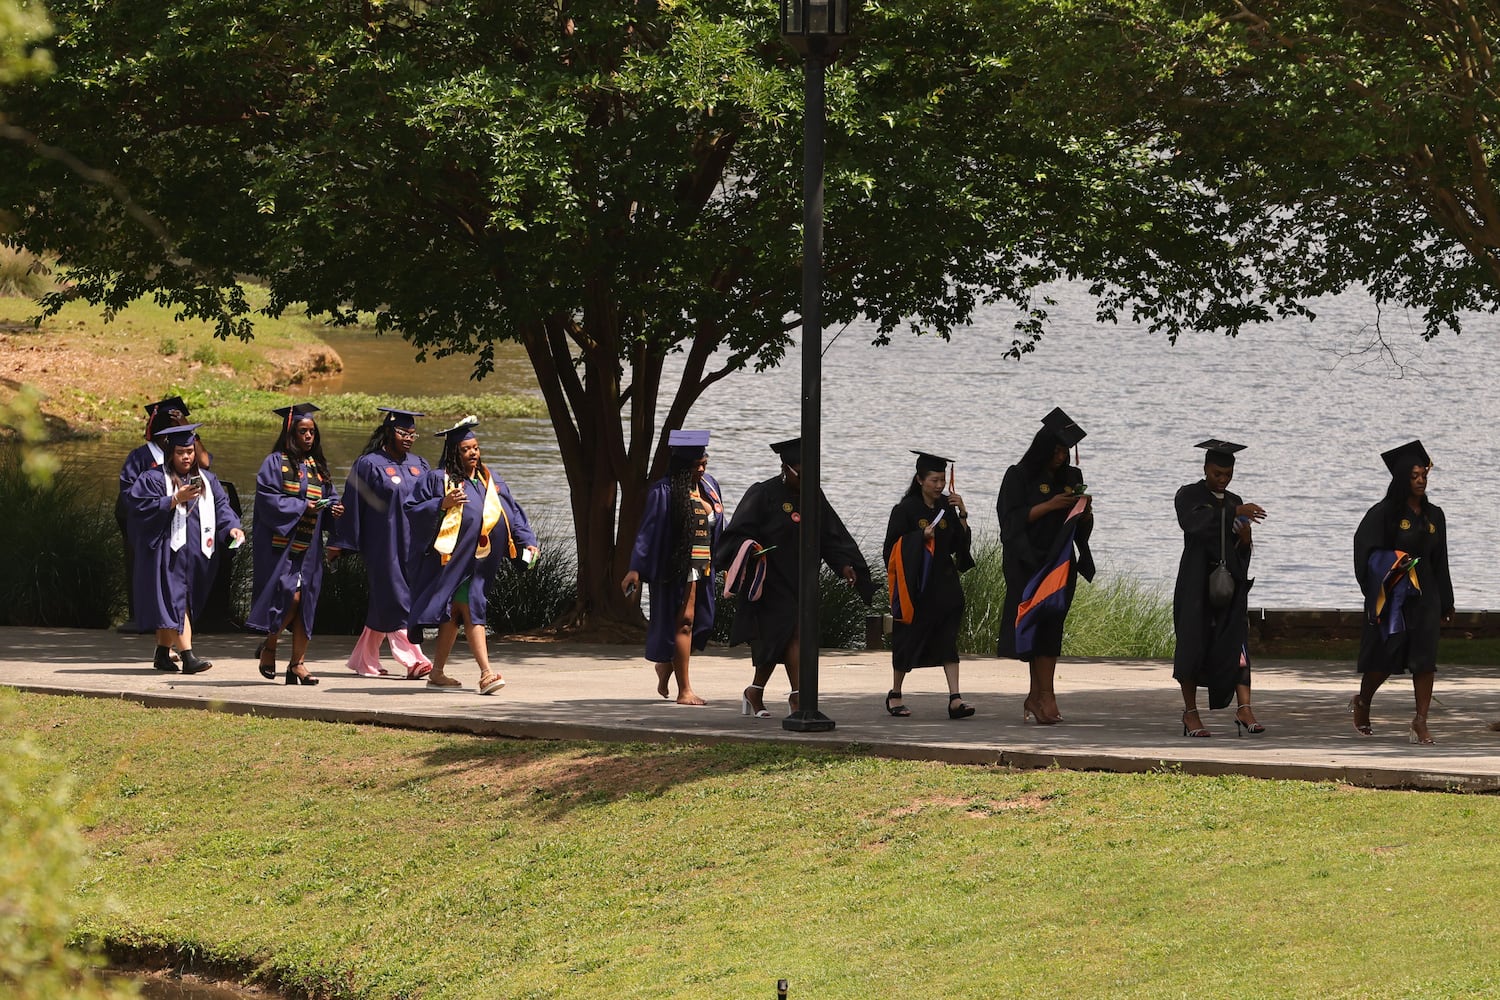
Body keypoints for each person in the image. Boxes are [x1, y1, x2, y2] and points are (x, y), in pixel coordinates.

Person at [716, 437, 874, 718]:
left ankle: (758, 692)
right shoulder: (763, 494)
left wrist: (845, 565)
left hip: (802, 578)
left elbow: (830, 535)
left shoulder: (814, 496)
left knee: (791, 635)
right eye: (801, 473)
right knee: (786, 635)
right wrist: (749, 549)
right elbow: (737, 533)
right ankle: (796, 698)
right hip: (769, 580)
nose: (807, 479)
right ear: (785, 468)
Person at [405, 417, 538, 694]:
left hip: (482, 562)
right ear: (455, 453)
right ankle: (486, 673)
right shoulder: (437, 479)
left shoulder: (490, 480)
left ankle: (437, 672)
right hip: (451, 563)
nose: (473, 453)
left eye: (475, 447)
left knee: (454, 614)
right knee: (471, 606)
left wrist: (527, 542)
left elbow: (511, 513)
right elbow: (412, 510)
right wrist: (442, 503)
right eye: (466, 449)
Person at [1350, 440, 1454, 745]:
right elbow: (1364, 553)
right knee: (1383, 658)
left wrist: (1446, 600)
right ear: (1401, 479)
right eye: (1414, 476)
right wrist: (1393, 561)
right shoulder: (1383, 514)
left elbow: (1440, 560)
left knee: (1425, 660)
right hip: (1392, 597)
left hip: (1426, 598)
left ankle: (1420, 721)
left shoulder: (1435, 516)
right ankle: (1363, 701)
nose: (1421, 480)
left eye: (1424, 475)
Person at [996, 408, 1094, 724]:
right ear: (1042, 449)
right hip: (1028, 562)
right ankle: (1038, 696)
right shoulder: (1019, 476)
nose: (1061, 457)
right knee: (1031, 629)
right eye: (1056, 450)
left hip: (1059, 564)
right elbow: (1010, 521)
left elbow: (1078, 529)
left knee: (1052, 627)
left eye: (1065, 451)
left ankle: (1043, 695)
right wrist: (1049, 505)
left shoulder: (1072, 479)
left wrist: (1085, 515)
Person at [125, 422, 243, 673]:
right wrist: (173, 499)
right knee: (176, 601)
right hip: (166, 554)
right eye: (181, 452)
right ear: (170, 453)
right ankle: (188, 656)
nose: (187, 457)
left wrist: (233, 527)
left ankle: (161, 654)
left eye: (190, 451)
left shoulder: (207, 481)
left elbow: (222, 509)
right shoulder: (154, 479)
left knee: (180, 601)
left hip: (197, 554)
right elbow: (137, 508)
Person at [327, 407, 435, 679]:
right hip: (382, 546)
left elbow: (431, 503)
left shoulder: (420, 465)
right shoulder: (368, 464)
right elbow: (351, 504)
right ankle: (414, 659)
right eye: (402, 433)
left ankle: (364, 661)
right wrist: (340, 542)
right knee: (397, 599)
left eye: (412, 433)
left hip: (414, 545)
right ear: (388, 432)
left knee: (384, 603)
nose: (409, 438)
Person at [620, 429, 724, 706]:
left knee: (699, 623)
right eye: (695, 466)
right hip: (676, 568)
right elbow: (648, 531)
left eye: (704, 463)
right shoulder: (663, 491)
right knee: (684, 622)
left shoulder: (710, 486)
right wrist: (636, 568)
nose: (701, 470)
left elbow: (719, 528)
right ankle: (684, 691)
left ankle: (665, 666)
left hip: (704, 567)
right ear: (681, 466)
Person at [1171, 440, 1267, 738]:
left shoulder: (1234, 498)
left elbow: (1240, 549)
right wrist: (1234, 510)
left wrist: (1246, 538)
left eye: (1227, 474)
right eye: (1217, 473)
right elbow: (1195, 524)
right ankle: (1190, 713)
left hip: (1229, 586)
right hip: (1196, 583)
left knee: (1236, 641)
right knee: (1191, 645)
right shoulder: (1189, 495)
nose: (1222, 479)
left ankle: (1244, 707)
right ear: (1205, 469)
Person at [248, 402, 344, 685]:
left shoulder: (318, 467)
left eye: (312, 432)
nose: (308, 437)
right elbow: (267, 500)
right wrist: (304, 507)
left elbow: (331, 496)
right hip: (281, 546)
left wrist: (334, 510)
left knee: (307, 602)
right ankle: (270, 646)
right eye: (302, 431)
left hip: (310, 547)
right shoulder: (274, 463)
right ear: (290, 433)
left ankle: (297, 664)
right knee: (291, 596)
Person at [883, 450, 975, 719]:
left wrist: (963, 514)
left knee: (948, 639)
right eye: (934, 480)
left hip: (945, 585)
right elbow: (890, 549)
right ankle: (895, 693)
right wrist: (918, 538)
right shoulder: (905, 510)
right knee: (907, 638)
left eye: (942, 480)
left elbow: (960, 547)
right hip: (916, 587)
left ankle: (955, 699)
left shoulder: (947, 507)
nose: (939, 486)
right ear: (920, 480)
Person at [116, 396, 212, 626]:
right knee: (144, 575)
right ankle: (142, 620)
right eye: (175, 431)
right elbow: (129, 496)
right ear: (162, 434)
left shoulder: (185, 457)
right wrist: (163, 503)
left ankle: (170, 638)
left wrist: (189, 428)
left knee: (176, 585)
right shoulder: (140, 457)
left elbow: (206, 464)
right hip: (147, 525)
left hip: (181, 530)